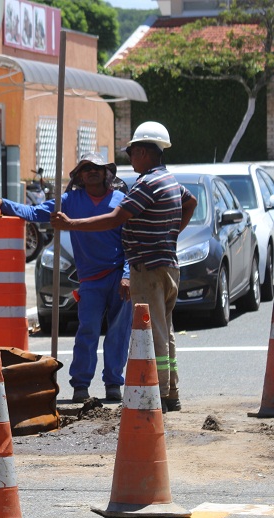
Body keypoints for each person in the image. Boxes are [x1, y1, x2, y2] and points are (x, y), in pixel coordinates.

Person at [51, 121, 198, 413]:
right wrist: (171, 234)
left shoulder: (146, 184)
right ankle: (171, 391)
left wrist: (71, 224)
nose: (129, 158)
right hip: (168, 266)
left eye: (131, 152)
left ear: (143, 152)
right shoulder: (169, 180)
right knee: (164, 330)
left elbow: (114, 218)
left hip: (149, 269)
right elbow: (190, 202)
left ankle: (158, 397)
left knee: (151, 331)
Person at [0, 152, 132, 403]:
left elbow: (132, 241)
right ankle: (81, 386)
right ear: (80, 175)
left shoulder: (121, 200)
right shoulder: (69, 200)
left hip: (118, 275)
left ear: (107, 172)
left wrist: (128, 275)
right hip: (90, 280)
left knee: (119, 333)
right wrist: (5, 203)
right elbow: (34, 213)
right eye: (86, 168)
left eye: (96, 167)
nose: (92, 171)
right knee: (87, 330)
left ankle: (113, 384)